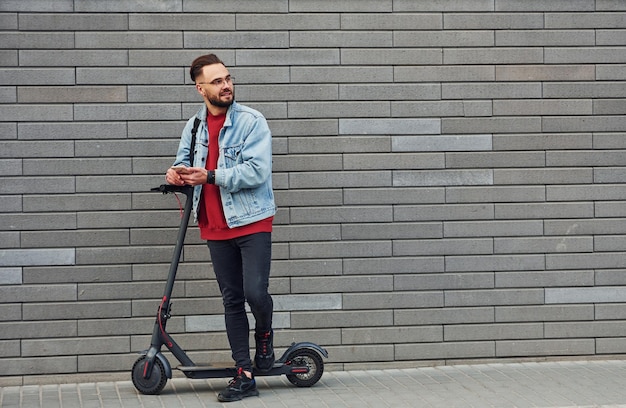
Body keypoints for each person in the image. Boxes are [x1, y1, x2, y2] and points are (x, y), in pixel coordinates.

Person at [165, 54, 276, 402]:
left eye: (227, 78)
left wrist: (211, 176)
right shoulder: (194, 126)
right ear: (200, 89)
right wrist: (175, 172)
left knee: (255, 294)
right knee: (231, 300)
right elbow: (184, 160)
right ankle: (244, 374)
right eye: (217, 81)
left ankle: (265, 334)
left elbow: (257, 171)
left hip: (251, 220)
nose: (226, 85)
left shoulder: (252, 121)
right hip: (213, 224)